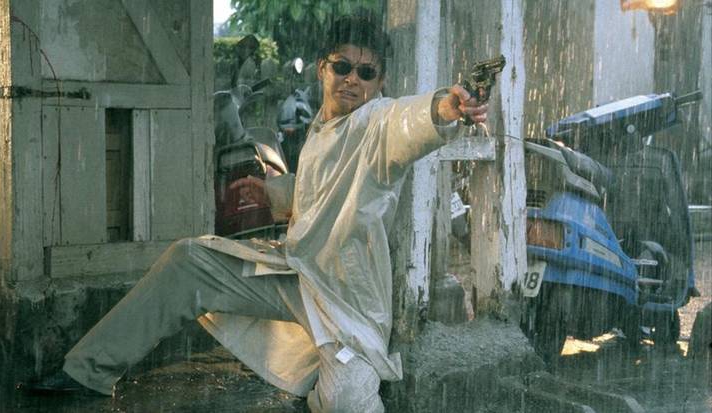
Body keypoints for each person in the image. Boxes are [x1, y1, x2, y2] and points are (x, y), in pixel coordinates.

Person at [31, 14, 487, 412]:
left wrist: (445, 107)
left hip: (347, 297)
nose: (353, 80)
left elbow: (407, 120)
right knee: (189, 261)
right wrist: (273, 191)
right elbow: (323, 189)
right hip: (296, 274)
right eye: (343, 67)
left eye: (366, 73)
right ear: (322, 69)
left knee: (345, 402)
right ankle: (85, 373)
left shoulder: (376, 122)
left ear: (381, 82)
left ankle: (325, 375)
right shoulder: (322, 125)